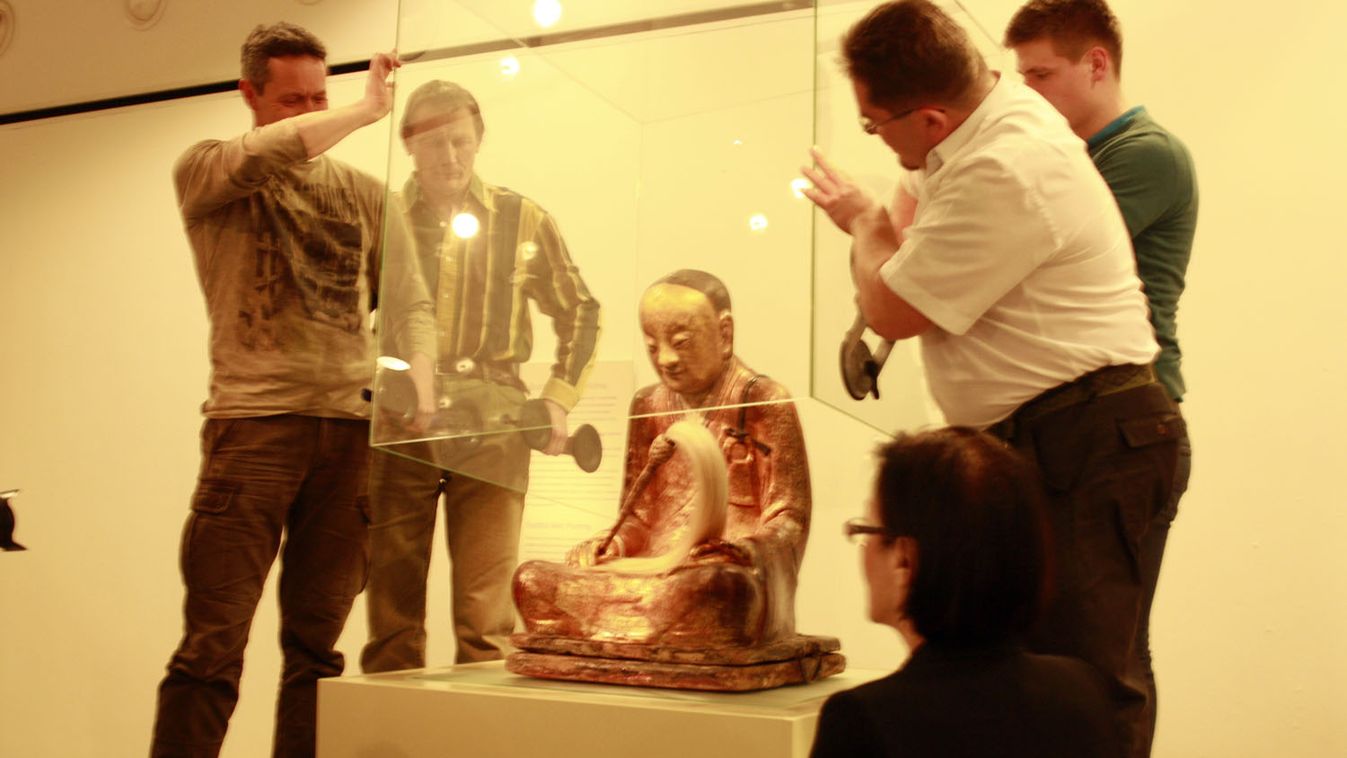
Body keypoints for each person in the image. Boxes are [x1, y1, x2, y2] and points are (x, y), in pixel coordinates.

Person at [801, 0, 1182, 751]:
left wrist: (864, 225)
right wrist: (888, 239)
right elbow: (910, 221)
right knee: (1018, 664)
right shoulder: (975, 125)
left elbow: (892, 306)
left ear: (931, 117)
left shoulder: (1008, 165)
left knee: (1084, 676)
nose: (878, 140)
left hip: (1084, 436)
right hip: (1042, 436)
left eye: (875, 125)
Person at [150, 23, 435, 758]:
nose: (309, 112)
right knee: (212, 648)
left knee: (316, 655)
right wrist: (364, 112)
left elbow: (410, 304)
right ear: (248, 94)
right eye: (291, 100)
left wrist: (422, 387)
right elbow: (265, 152)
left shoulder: (366, 195)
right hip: (253, 431)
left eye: (318, 97)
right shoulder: (207, 171)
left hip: (347, 437)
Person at [1003, 3, 1198, 752]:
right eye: (1020, 77)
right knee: (1070, 648)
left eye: (1041, 74)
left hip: (1120, 428)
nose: (1028, 92)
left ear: (1096, 64)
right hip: (1075, 427)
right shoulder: (1071, 160)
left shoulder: (1146, 155)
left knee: (1103, 656)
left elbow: (1028, 258)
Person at [359, 80, 602, 672]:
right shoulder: (382, 217)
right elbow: (345, 313)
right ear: (408, 144)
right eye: (434, 143)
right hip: (399, 424)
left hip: (495, 428)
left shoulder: (523, 218)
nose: (449, 156)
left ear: (479, 139)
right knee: (391, 618)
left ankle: (481, 720)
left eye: (460, 141)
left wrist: (558, 399)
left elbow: (581, 311)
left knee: (487, 621)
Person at [512, 269, 810, 650]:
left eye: (681, 342)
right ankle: (646, 628)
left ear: (725, 334)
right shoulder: (648, 405)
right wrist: (614, 545)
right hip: (650, 573)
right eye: (653, 346)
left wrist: (745, 550)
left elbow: (789, 520)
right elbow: (638, 518)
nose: (666, 359)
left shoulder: (764, 403)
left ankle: (644, 624)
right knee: (531, 579)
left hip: (716, 573)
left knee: (717, 589)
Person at [810, 428, 1121, 758]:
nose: (863, 548)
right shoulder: (1082, 691)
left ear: (904, 560)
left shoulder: (863, 721)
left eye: (864, 530)